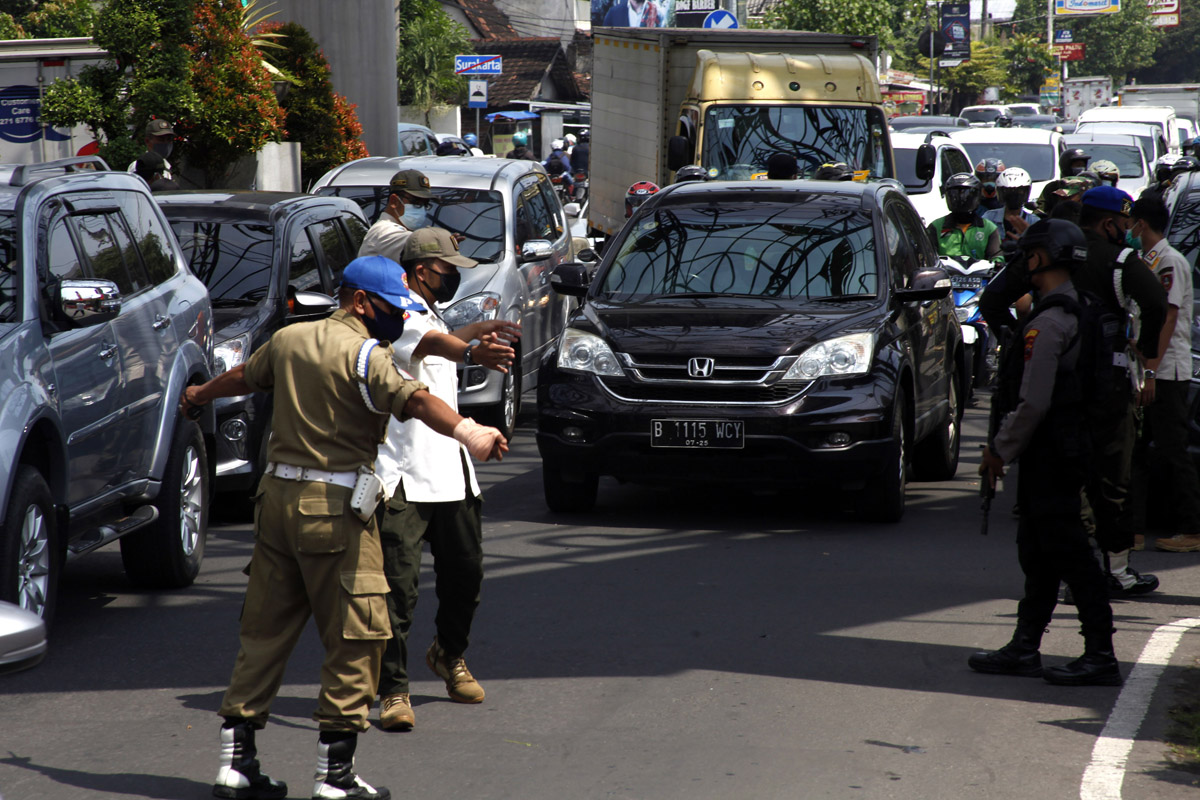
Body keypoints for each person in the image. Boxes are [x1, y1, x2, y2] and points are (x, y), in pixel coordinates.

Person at [185, 255, 509, 800]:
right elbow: (418, 399)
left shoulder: (290, 339)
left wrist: (198, 396)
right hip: (333, 509)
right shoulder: (366, 355)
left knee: (264, 634)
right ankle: (335, 778)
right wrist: (469, 431)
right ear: (361, 301)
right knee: (360, 634)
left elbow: (246, 375)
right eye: (390, 308)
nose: (396, 319)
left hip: (275, 503)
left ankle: (235, 763)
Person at [375, 227, 523, 732]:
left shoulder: (427, 309)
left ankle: (448, 654)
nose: (453, 278)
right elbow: (429, 343)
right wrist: (474, 353)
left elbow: (439, 338)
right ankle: (393, 690)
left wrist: (481, 328)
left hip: (451, 471)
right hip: (403, 476)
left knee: (466, 577)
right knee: (399, 590)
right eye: (447, 271)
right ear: (420, 272)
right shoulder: (395, 313)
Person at [973, 219, 1122, 687]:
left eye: (1027, 257)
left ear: (1039, 259)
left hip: (1052, 455)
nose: (1023, 265)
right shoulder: (1078, 308)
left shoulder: (1051, 321)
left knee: (1070, 554)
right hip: (1066, 450)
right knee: (1038, 553)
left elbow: (1033, 401)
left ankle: (1100, 653)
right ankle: (1025, 647)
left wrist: (999, 450)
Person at [1073, 186, 1166, 594]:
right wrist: (1145, 355)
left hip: (1060, 384)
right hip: (1108, 386)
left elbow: (1000, 299)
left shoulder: (1057, 250)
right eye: (1125, 224)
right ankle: (1118, 572)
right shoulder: (1122, 260)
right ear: (1110, 223)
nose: (1127, 231)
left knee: (1067, 479)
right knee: (1112, 480)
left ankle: (1073, 572)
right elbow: (1156, 305)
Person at [1126, 197, 1200, 553]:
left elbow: (1168, 317)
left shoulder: (1170, 261)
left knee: (1173, 451)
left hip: (1167, 371)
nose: (1129, 229)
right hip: (1148, 367)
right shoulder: (1147, 260)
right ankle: (1134, 530)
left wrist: (1152, 366)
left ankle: (1192, 528)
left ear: (1142, 223)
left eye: (1132, 222)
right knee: (1137, 450)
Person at [358, 169, 434, 262]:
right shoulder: (384, 231)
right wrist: (447, 241)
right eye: (416, 202)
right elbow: (416, 243)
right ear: (394, 201)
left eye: (425, 204)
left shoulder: (398, 230)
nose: (421, 209)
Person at [926, 173, 1001, 261]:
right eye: (955, 195)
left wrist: (998, 263)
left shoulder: (989, 228)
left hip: (980, 274)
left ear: (977, 197)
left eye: (967, 195)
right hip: (946, 274)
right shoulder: (936, 226)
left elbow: (997, 257)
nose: (962, 200)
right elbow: (928, 258)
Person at [983, 167, 1039, 241]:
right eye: (1008, 191)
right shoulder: (989, 217)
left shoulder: (1033, 221)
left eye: (1019, 191)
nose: (1013, 195)